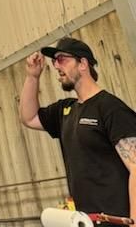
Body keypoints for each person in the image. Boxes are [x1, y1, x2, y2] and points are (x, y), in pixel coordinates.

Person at [19, 35, 136, 219]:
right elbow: (29, 117)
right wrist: (33, 76)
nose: (56, 66)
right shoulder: (65, 110)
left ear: (82, 63)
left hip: (117, 221)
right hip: (87, 221)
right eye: (54, 61)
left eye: (61, 59)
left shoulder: (110, 108)